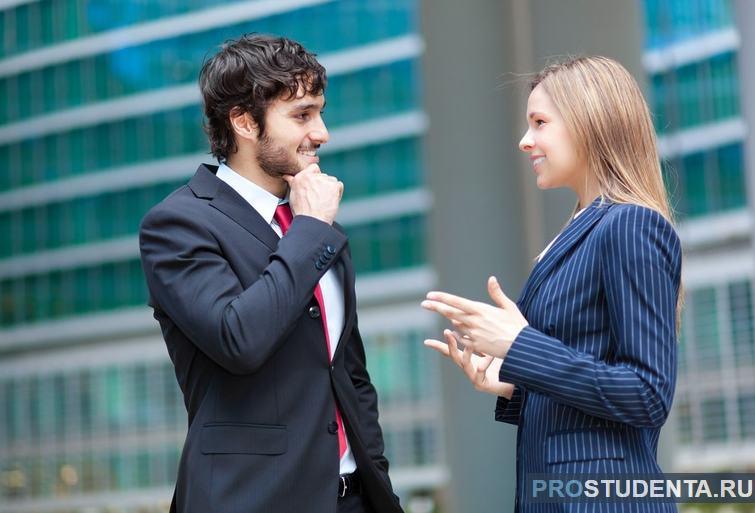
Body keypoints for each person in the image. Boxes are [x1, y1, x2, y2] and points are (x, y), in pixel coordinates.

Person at [139, 34, 402, 513]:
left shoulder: (319, 228)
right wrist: (307, 231)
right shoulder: (178, 224)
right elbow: (239, 339)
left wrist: (379, 485)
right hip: (250, 498)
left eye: (320, 112)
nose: (321, 133)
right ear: (242, 121)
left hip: (354, 499)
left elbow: (350, 376)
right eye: (301, 115)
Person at [421, 56, 682, 512]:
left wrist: (520, 346)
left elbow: (647, 394)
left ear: (590, 121)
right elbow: (586, 395)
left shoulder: (630, 225)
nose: (525, 141)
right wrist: (512, 381)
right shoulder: (583, 227)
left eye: (540, 122)